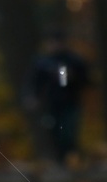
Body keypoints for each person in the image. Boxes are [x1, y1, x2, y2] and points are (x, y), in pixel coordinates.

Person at [30, 34, 89, 165]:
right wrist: (34, 97)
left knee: (68, 132)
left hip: (70, 102)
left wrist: (73, 78)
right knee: (53, 132)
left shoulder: (73, 60)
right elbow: (35, 82)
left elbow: (85, 80)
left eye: (56, 42)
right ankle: (60, 161)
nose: (53, 46)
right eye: (50, 42)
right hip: (51, 104)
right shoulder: (42, 63)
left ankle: (73, 158)